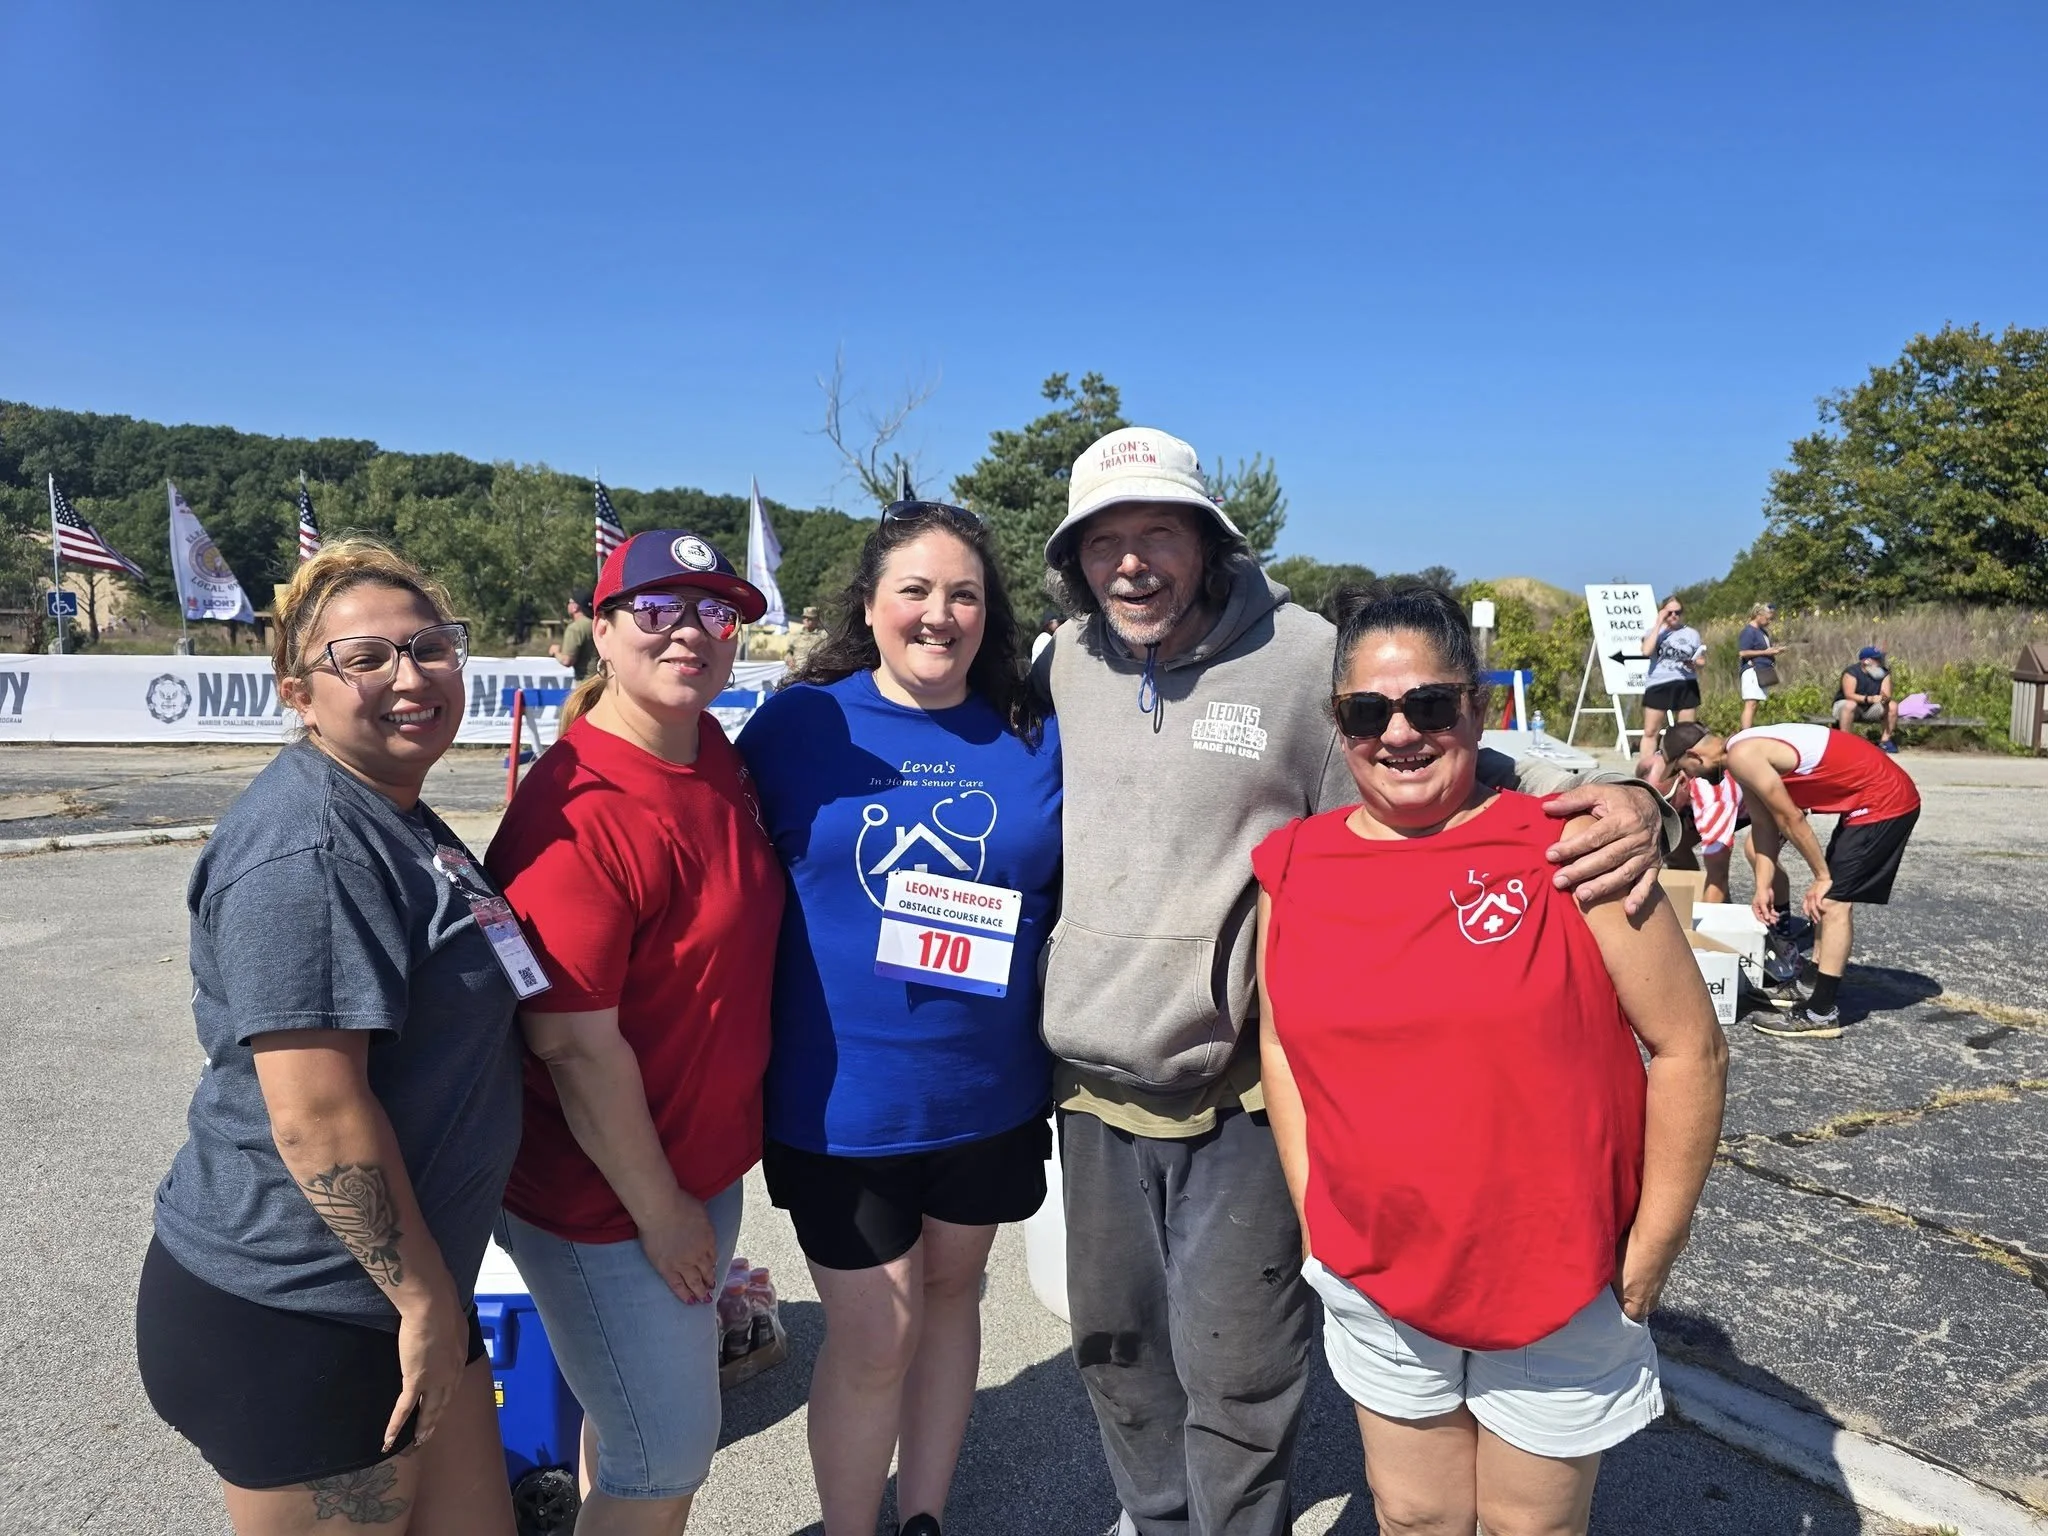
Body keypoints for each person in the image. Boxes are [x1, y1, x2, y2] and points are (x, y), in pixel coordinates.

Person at [1032, 425, 1673, 1536]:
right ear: (1077, 560)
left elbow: (1438, 745)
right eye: (1104, 542)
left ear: (1208, 544)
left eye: (1157, 535)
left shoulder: (1300, 656)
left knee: (1237, 1374)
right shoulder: (1063, 664)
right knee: (1117, 1357)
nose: (1130, 562)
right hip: (1090, 1085)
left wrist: (1633, 794)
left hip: (1232, 1082)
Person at [1255, 583, 1727, 1536]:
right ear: (1336, 723)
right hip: (1378, 1271)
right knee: (1415, 1516)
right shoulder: (1293, 866)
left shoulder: (1573, 848)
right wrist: (1314, 1211)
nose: (1400, 734)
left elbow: (1690, 1049)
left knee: (1531, 1528)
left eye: (1430, 705)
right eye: (1368, 712)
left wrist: (1653, 1248)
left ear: (1475, 707)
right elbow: (1280, 1043)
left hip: (1559, 1271)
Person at [136, 540, 524, 1536]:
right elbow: (314, 1113)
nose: (410, 675)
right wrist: (429, 1304)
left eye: (431, 646)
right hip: (305, 1312)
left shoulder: (396, 813)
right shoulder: (306, 847)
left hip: (403, 1298)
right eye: (368, 657)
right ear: (299, 692)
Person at [738, 500, 1061, 1536]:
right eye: (913, 591)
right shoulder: (800, 726)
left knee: (955, 1297)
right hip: (840, 1104)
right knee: (876, 1334)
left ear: (988, 612)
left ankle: (921, 1516)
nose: (938, 614)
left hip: (985, 1093)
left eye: (961, 593)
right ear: (869, 606)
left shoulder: (1032, 732)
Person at [485, 530, 782, 1534]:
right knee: (665, 1457)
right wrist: (662, 1213)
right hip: (607, 1200)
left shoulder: (708, 750)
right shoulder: (573, 812)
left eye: (714, 612)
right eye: (655, 610)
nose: (689, 632)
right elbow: (569, 1045)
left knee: (625, 1437)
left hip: (692, 1164)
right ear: (600, 634)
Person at [1660, 719, 1920, 1039]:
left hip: (1885, 800)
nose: (1687, 778)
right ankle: (1809, 984)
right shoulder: (1739, 754)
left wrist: (1822, 876)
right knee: (1827, 899)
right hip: (1868, 799)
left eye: (1681, 769)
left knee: (1833, 901)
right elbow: (1765, 825)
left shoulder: (1743, 755)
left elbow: (1791, 817)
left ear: (1693, 755)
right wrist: (1762, 887)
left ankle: (1821, 1012)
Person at [1636, 595, 1705, 775]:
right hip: (1659, 683)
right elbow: (1646, 651)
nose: (1674, 615)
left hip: (1685, 683)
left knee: (1686, 733)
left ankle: (1683, 772)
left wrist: (1695, 663)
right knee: (1651, 730)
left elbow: (1701, 660)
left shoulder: (1691, 633)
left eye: (1678, 612)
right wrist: (1659, 623)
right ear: (1663, 612)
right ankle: (1646, 772)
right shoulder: (1653, 631)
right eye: (1670, 612)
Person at [1834, 646, 1899, 751]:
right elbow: (1849, 695)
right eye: (1876, 659)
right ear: (1866, 661)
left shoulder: (1884, 673)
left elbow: (1886, 694)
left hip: (1869, 708)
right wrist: (1869, 699)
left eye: (1880, 658)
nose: (1880, 661)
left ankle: (1885, 741)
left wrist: (1884, 699)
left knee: (1892, 705)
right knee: (1850, 704)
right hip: (1846, 707)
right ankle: (1845, 741)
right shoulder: (1851, 672)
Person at [1736, 601, 1784, 732]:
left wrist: (1774, 650)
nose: (1769, 622)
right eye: (1768, 619)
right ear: (1759, 614)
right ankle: (1745, 733)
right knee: (1750, 703)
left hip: (1762, 670)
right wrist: (1765, 652)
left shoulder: (1762, 632)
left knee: (1755, 703)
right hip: (1752, 670)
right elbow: (1743, 652)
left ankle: (1748, 730)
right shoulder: (1748, 631)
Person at [548, 592, 599, 680]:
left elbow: (566, 661)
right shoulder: (597, 624)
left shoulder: (575, 628)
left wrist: (555, 652)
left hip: (585, 683)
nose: (567, 605)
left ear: (575, 607)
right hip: (601, 681)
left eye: (569, 602)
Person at [785, 604, 827, 671]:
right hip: (796, 672)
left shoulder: (824, 635)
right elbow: (789, 652)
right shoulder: (796, 635)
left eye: (810, 618)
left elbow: (828, 654)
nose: (806, 620)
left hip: (815, 673)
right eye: (804, 618)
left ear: (817, 620)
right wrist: (789, 659)